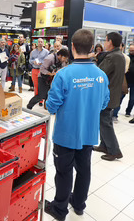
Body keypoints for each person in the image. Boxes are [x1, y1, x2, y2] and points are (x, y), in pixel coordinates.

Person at [44, 29, 110, 221]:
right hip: (89, 133)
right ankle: (79, 204)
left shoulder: (64, 74)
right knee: (84, 170)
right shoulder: (100, 75)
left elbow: (51, 106)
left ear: (72, 47)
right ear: (91, 48)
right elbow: (104, 103)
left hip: (65, 135)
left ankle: (59, 209)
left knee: (64, 173)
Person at [94, 32, 125, 161]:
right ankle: (104, 145)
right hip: (113, 93)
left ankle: (114, 151)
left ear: (110, 42)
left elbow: (100, 73)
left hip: (107, 95)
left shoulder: (112, 57)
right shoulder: (119, 55)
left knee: (105, 122)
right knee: (105, 121)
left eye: (106, 40)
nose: (105, 43)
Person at [112, 43, 131, 122]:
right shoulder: (111, 55)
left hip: (122, 80)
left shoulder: (126, 58)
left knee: (119, 98)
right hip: (112, 79)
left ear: (123, 48)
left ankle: (114, 114)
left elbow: (125, 70)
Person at [127, 44, 134, 124]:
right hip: (127, 81)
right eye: (130, 50)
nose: (131, 52)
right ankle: (115, 113)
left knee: (132, 99)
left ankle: (128, 112)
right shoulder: (127, 57)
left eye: (133, 50)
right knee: (121, 96)